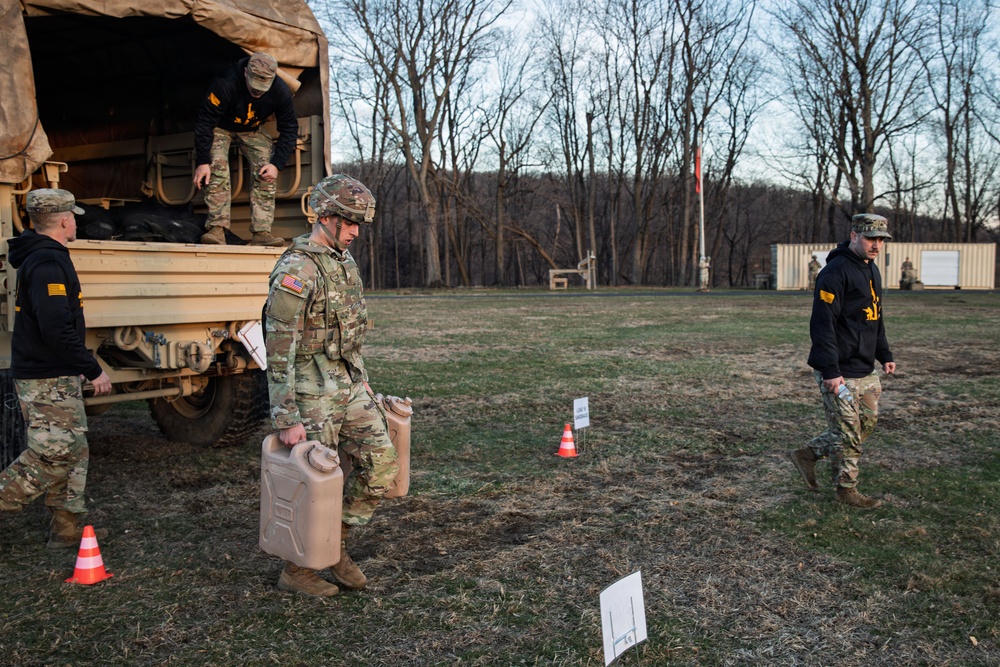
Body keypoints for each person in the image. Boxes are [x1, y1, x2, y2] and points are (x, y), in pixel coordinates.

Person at [263, 174, 398, 597]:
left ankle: (333, 544)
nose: (356, 231)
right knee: (316, 481)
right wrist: (286, 415)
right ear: (325, 217)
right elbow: (278, 347)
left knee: (382, 465)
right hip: (310, 388)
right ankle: (297, 570)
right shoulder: (297, 269)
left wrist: (363, 380)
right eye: (349, 221)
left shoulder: (344, 261)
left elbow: (349, 333)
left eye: (358, 223)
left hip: (346, 381)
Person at [0, 189, 113, 547]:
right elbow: (55, 328)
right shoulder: (47, 262)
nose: (75, 222)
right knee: (54, 453)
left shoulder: (43, 256)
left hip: (54, 371)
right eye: (73, 217)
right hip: (45, 375)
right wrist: (91, 368)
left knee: (74, 449)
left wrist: (72, 364)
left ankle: (66, 529)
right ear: (64, 221)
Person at [788, 213, 897, 510]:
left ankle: (809, 454)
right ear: (854, 236)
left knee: (864, 425)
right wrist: (830, 371)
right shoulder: (834, 273)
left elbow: (875, 316)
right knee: (848, 434)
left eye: (881, 240)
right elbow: (822, 325)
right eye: (870, 238)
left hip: (865, 367)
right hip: (838, 370)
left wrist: (884, 353)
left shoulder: (871, 268)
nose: (876, 245)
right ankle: (846, 490)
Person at [193, 52, 297, 247]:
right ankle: (217, 229)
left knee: (266, 169)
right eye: (254, 87)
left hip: (251, 129)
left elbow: (290, 128)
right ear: (245, 72)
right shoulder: (225, 83)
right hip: (220, 126)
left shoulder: (280, 90)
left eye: (262, 89)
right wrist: (203, 161)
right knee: (216, 166)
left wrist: (276, 165)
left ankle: (262, 232)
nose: (258, 92)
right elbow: (205, 123)